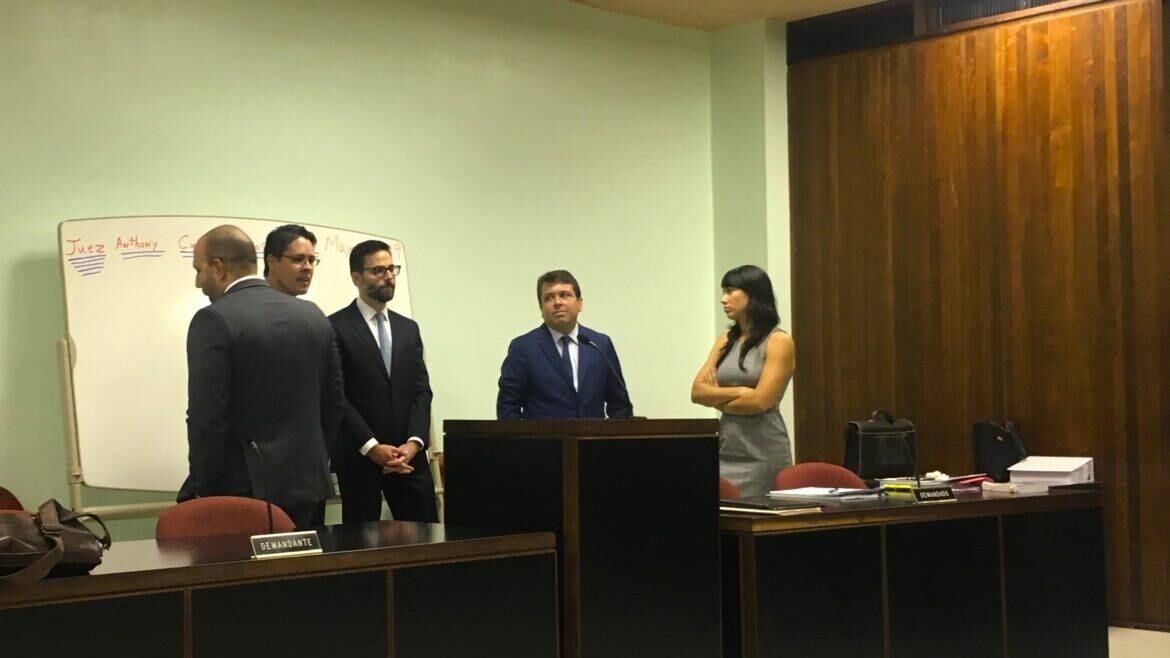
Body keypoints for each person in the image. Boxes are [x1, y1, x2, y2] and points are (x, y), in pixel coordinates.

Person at [179, 225, 344, 529]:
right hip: (307, 486)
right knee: (302, 561)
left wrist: (202, 487)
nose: (198, 281)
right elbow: (333, 404)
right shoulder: (313, 316)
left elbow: (207, 417)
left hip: (243, 490)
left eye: (199, 270)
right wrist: (312, 460)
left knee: (244, 562)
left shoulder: (213, 319)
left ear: (218, 268)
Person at [329, 240, 439, 523]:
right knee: (361, 542)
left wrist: (414, 443)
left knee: (427, 537)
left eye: (392, 269)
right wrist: (371, 447)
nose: (388, 276)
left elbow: (421, 391)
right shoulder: (335, 327)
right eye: (378, 270)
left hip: (409, 458)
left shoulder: (408, 328)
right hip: (360, 458)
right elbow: (336, 396)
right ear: (356, 277)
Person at [690, 265, 795, 497]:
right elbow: (697, 392)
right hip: (727, 447)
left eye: (730, 291)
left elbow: (760, 401)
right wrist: (739, 391)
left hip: (763, 451)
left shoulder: (778, 341)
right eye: (723, 292)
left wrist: (717, 399)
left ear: (753, 294)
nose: (723, 299)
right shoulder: (726, 339)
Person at [497, 270, 633, 420]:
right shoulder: (523, 348)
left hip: (591, 435)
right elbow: (508, 407)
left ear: (579, 304)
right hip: (543, 435)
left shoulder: (599, 344)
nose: (557, 302)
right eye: (549, 298)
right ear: (541, 308)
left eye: (564, 295)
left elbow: (619, 404)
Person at [263, 224, 319, 297]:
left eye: (311, 261)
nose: (308, 268)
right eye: (298, 259)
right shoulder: (250, 302)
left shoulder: (304, 305)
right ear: (272, 262)